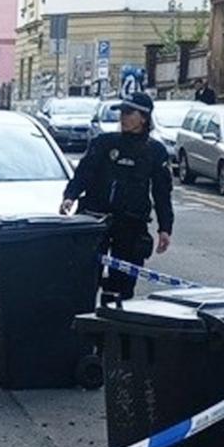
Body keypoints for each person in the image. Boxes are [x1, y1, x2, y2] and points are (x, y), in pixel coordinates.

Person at [59, 91, 174, 301]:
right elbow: (84, 173)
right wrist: (70, 196)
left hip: (131, 223)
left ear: (144, 118)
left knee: (122, 284)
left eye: (129, 113)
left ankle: (113, 314)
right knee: (84, 278)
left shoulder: (155, 151)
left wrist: (165, 228)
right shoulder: (104, 143)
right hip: (95, 218)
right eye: (122, 112)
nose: (123, 117)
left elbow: (162, 192)